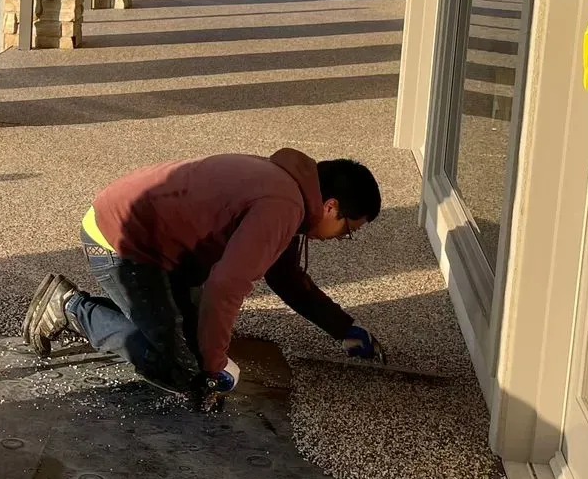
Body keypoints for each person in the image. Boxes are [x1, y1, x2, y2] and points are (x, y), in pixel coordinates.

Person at [22, 149, 384, 404]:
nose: (341, 238)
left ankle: (137, 320)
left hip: (158, 246)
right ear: (331, 206)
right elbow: (225, 287)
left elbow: (285, 276)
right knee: (185, 370)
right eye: (348, 229)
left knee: (198, 343)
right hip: (120, 241)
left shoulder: (289, 191)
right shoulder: (283, 206)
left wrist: (343, 327)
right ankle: (70, 308)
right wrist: (213, 365)